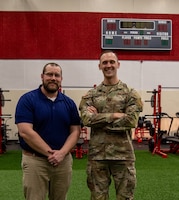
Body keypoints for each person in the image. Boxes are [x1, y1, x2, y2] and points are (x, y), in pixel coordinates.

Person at [79, 50, 143, 200]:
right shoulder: (91, 95)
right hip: (97, 157)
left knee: (125, 198)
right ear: (99, 66)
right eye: (105, 62)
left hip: (123, 156)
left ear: (118, 65)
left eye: (112, 62)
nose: (109, 65)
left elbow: (131, 121)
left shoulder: (130, 94)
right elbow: (87, 120)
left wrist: (98, 119)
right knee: (98, 198)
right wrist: (114, 115)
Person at [15, 62, 81, 200]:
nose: (53, 78)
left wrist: (62, 154)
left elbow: (75, 131)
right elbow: (25, 131)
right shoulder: (27, 100)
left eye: (57, 75)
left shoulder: (69, 103)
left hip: (63, 162)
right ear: (42, 76)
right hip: (35, 162)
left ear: (61, 78)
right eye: (49, 74)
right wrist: (51, 154)